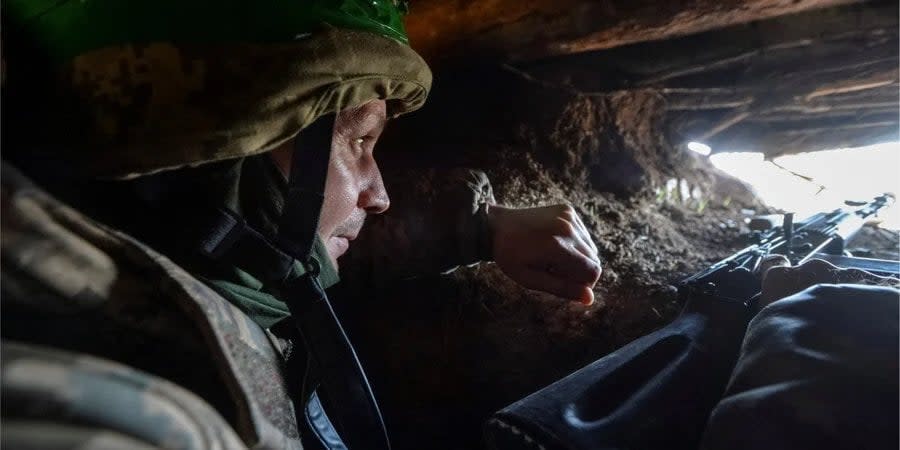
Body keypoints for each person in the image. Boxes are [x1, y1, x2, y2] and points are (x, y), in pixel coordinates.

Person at [1, 1, 600, 448]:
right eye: (360, 140)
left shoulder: (117, 244)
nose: (380, 195)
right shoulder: (128, 422)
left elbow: (278, 240)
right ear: (221, 150)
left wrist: (480, 227)